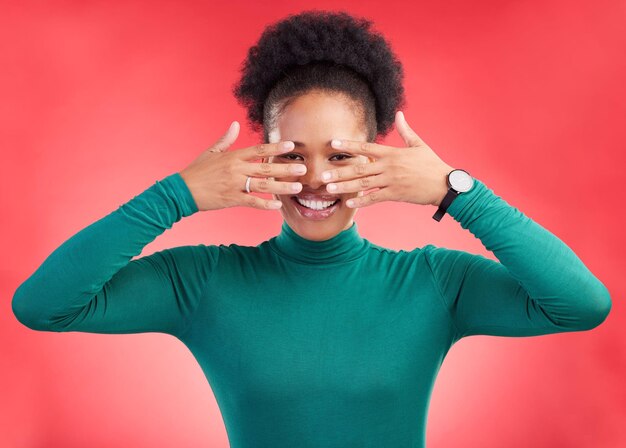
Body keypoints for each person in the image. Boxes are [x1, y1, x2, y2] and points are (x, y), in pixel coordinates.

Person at [12, 10, 611, 448]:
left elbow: (582, 306)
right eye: (293, 154)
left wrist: (458, 192)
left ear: (378, 158)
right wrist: (177, 195)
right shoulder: (201, 280)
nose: (316, 179)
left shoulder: (433, 282)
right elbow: (43, 307)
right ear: (262, 156)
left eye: (342, 156)